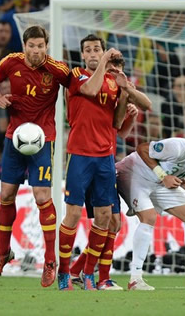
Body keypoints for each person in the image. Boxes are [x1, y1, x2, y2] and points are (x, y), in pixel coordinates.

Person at [0, 25, 70, 287]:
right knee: (6, 195)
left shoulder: (57, 69)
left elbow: (76, 88)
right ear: (24, 46)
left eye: (40, 46)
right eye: (31, 46)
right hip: (15, 138)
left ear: (46, 46)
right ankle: (2, 253)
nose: (35, 51)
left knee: (42, 197)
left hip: (43, 140)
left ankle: (49, 260)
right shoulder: (11, 62)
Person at [64, 56, 152, 291]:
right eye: (89, 50)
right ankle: (97, 277)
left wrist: (127, 97)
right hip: (85, 157)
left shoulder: (116, 89)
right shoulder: (84, 79)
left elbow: (120, 130)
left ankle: (80, 272)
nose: (115, 70)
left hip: (106, 161)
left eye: (119, 68)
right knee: (109, 221)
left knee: (113, 222)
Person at [56, 34, 126, 291]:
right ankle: (64, 272)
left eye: (98, 49)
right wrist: (107, 61)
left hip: (105, 156)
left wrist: (127, 96)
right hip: (80, 154)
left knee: (106, 216)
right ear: (83, 55)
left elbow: (117, 122)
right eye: (89, 50)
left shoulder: (113, 82)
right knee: (73, 214)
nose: (94, 53)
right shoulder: (76, 75)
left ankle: (87, 275)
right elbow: (91, 90)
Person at [117, 128, 185, 291]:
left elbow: (175, 170)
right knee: (149, 217)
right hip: (134, 174)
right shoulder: (177, 147)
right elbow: (142, 148)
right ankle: (135, 279)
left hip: (158, 183)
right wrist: (163, 176)